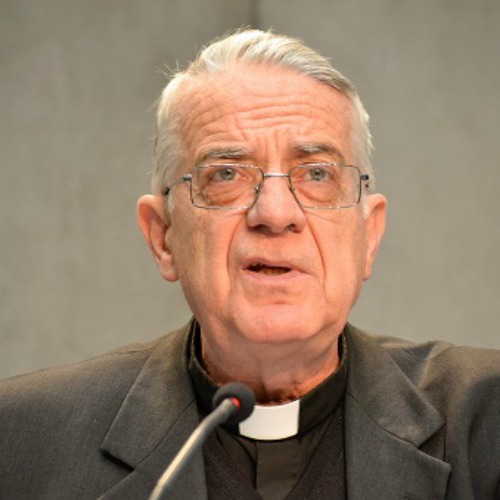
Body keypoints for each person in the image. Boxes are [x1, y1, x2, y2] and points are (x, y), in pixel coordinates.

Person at [1, 29, 499, 500]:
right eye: (226, 174)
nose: (275, 214)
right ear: (163, 237)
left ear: (368, 235)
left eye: (318, 173)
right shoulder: (22, 442)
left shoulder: (485, 420)